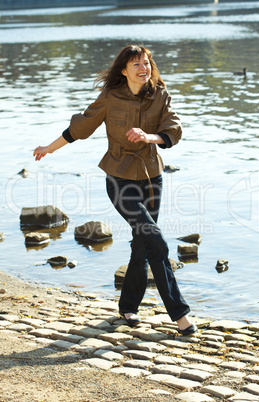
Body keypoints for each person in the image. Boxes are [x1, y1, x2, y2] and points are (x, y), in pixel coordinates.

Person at [33, 44, 197, 335]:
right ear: (124, 70)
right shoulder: (111, 97)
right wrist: (49, 148)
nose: (143, 68)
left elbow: (173, 131)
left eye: (146, 63)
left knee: (142, 243)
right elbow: (80, 128)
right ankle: (180, 314)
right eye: (136, 64)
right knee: (155, 239)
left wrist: (149, 137)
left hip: (151, 179)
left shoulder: (160, 95)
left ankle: (128, 307)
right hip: (119, 179)